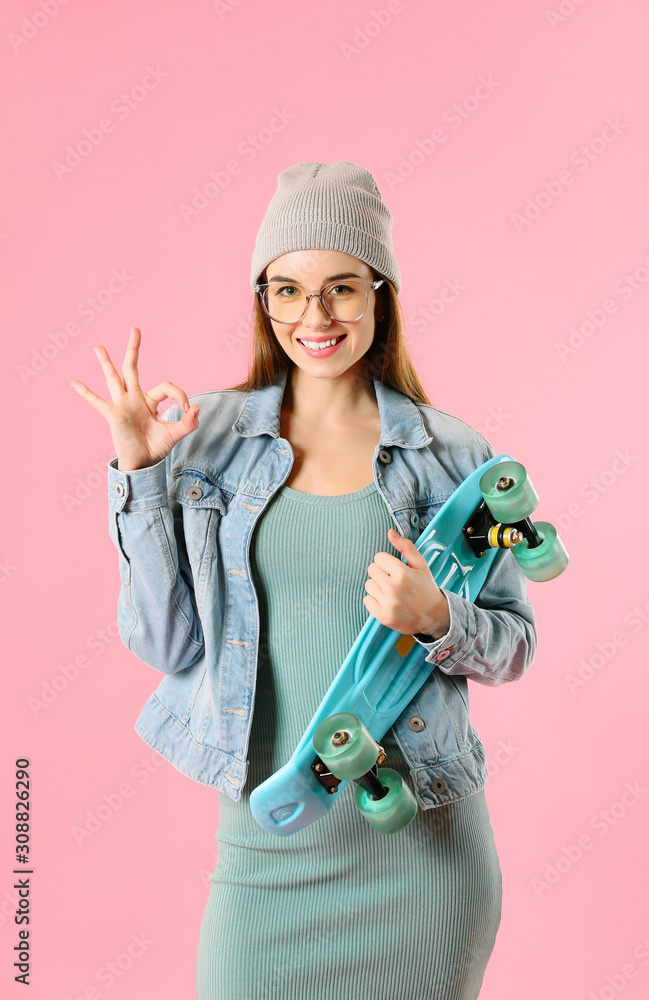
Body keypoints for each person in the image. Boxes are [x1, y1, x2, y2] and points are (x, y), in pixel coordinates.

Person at [71, 160, 537, 1000]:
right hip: (264, 856)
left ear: (380, 294)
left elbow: (513, 648)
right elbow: (164, 642)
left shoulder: (453, 457)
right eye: (285, 290)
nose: (312, 317)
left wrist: (438, 618)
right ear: (262, 301)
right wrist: (140, 474)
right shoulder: (202, 439)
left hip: (422, 860)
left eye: (340, 289)